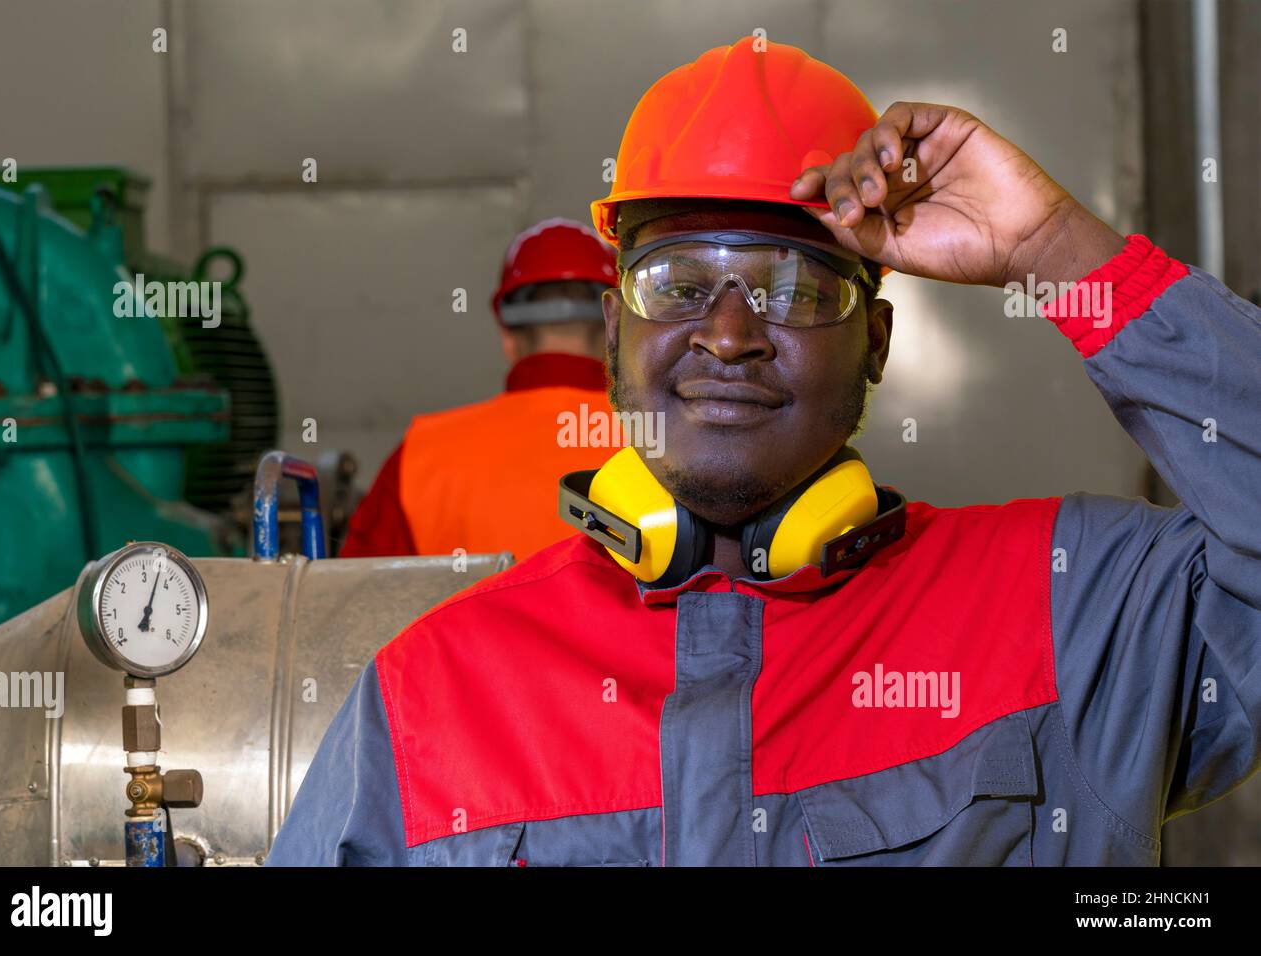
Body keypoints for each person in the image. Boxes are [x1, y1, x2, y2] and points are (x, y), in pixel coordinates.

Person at [269, 36, 1261, 866]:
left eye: (794, 286)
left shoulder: (1073, 610)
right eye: (678, 280)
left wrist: (1053, 250)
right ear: (615, 337)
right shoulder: (432, 695)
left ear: (875, 343)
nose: (731, 334)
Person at [340, 218, 619, 560]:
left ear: (507, 337)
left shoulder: (420, 456)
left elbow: (360, 600)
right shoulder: (663, 442)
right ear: (615, 331)